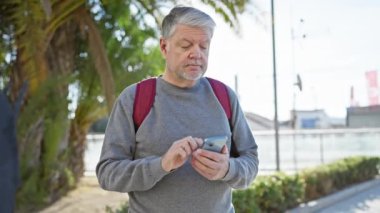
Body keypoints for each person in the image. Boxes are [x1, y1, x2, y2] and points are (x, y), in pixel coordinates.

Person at [96, 6, 259, 213]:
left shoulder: (225, 97)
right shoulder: (134, 99)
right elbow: (107, 174)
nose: (196, 54)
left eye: (204, 46)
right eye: (186, 45)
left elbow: (250, 160)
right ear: (164, 47)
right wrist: (161, 165)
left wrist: (227, 169)